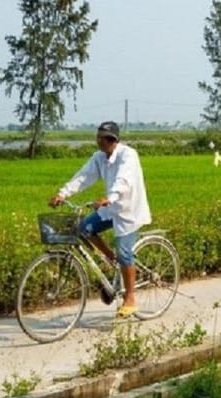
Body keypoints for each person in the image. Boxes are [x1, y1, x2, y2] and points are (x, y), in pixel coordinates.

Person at [49, 121, 152, 319]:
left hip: (128, 210)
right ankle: (113, 261)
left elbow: (124, 180)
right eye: (98, 138)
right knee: (84, 228)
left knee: (124, 251)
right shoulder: (99, 158)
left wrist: (110, 197)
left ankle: (130, 297)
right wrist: (63, 194)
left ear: (113, 140)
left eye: (103, 138)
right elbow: (83, 177)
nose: (99, 142)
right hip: (109, 209)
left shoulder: (128, 155)